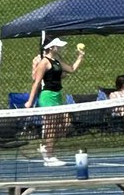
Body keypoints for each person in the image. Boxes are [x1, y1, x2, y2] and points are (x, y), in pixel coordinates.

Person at [25, 37, 84, 166]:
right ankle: (49, 156)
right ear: (51, 47)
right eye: (57, 45)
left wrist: (80, 57)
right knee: (51, 127)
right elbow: (36, 83)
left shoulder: (56, 60)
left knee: (66, 124)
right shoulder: (43, 63)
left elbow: (71, 69)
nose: (60, 47)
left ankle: (46, 148)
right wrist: (30, 101)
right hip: (47, 97)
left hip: (57, 96)